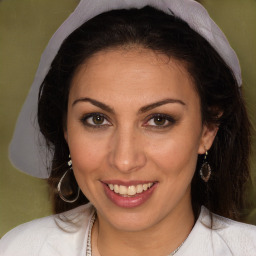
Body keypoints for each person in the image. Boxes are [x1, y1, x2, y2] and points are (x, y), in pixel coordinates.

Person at [1, 0, 256, 255]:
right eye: (97, 119)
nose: (124, 160)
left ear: (207, 130)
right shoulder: (20, 248)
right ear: (65, 128)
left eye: (159, 120)